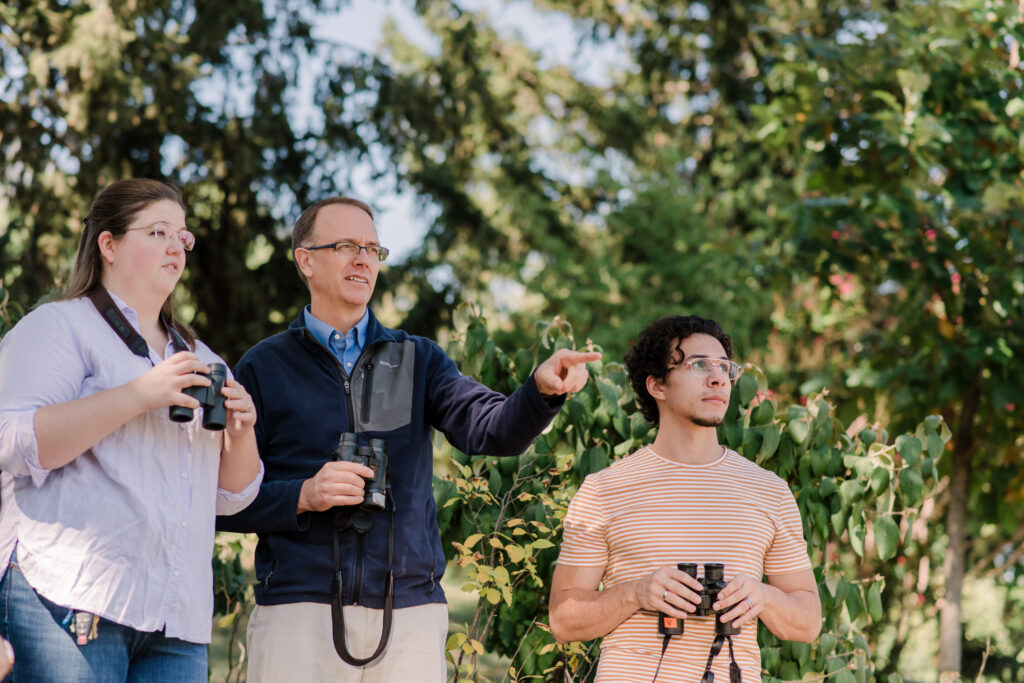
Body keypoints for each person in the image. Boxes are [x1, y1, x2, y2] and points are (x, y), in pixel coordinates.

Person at [217, 196, 600, 682]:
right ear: (305, 259)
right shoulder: (262, 367)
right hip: (297, 612)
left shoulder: (418, 359)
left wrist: (540, 391)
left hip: (409, 617)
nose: (363, 259)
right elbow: (227, 500)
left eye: (373, 249)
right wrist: (304, 496)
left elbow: (492, 428)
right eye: (346, 245)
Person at [0, 179, 263, 681]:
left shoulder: (203, 359)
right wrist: (138, 396)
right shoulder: (58, 328)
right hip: (72, 599)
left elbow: (231, 497)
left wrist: (241, 432)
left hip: (175, 620)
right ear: (109, 245)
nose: (175, 247)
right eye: (158, 231)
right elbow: (11, 441)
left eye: (183, 237)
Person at [549, 315, 821, 682]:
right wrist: (637, 592)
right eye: (699, 365)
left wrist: (763, 597)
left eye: (725, 367)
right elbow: (563, 620)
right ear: (657, 385)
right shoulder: (604, 489)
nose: (718, 377)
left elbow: (808, 623)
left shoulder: (768, 490)